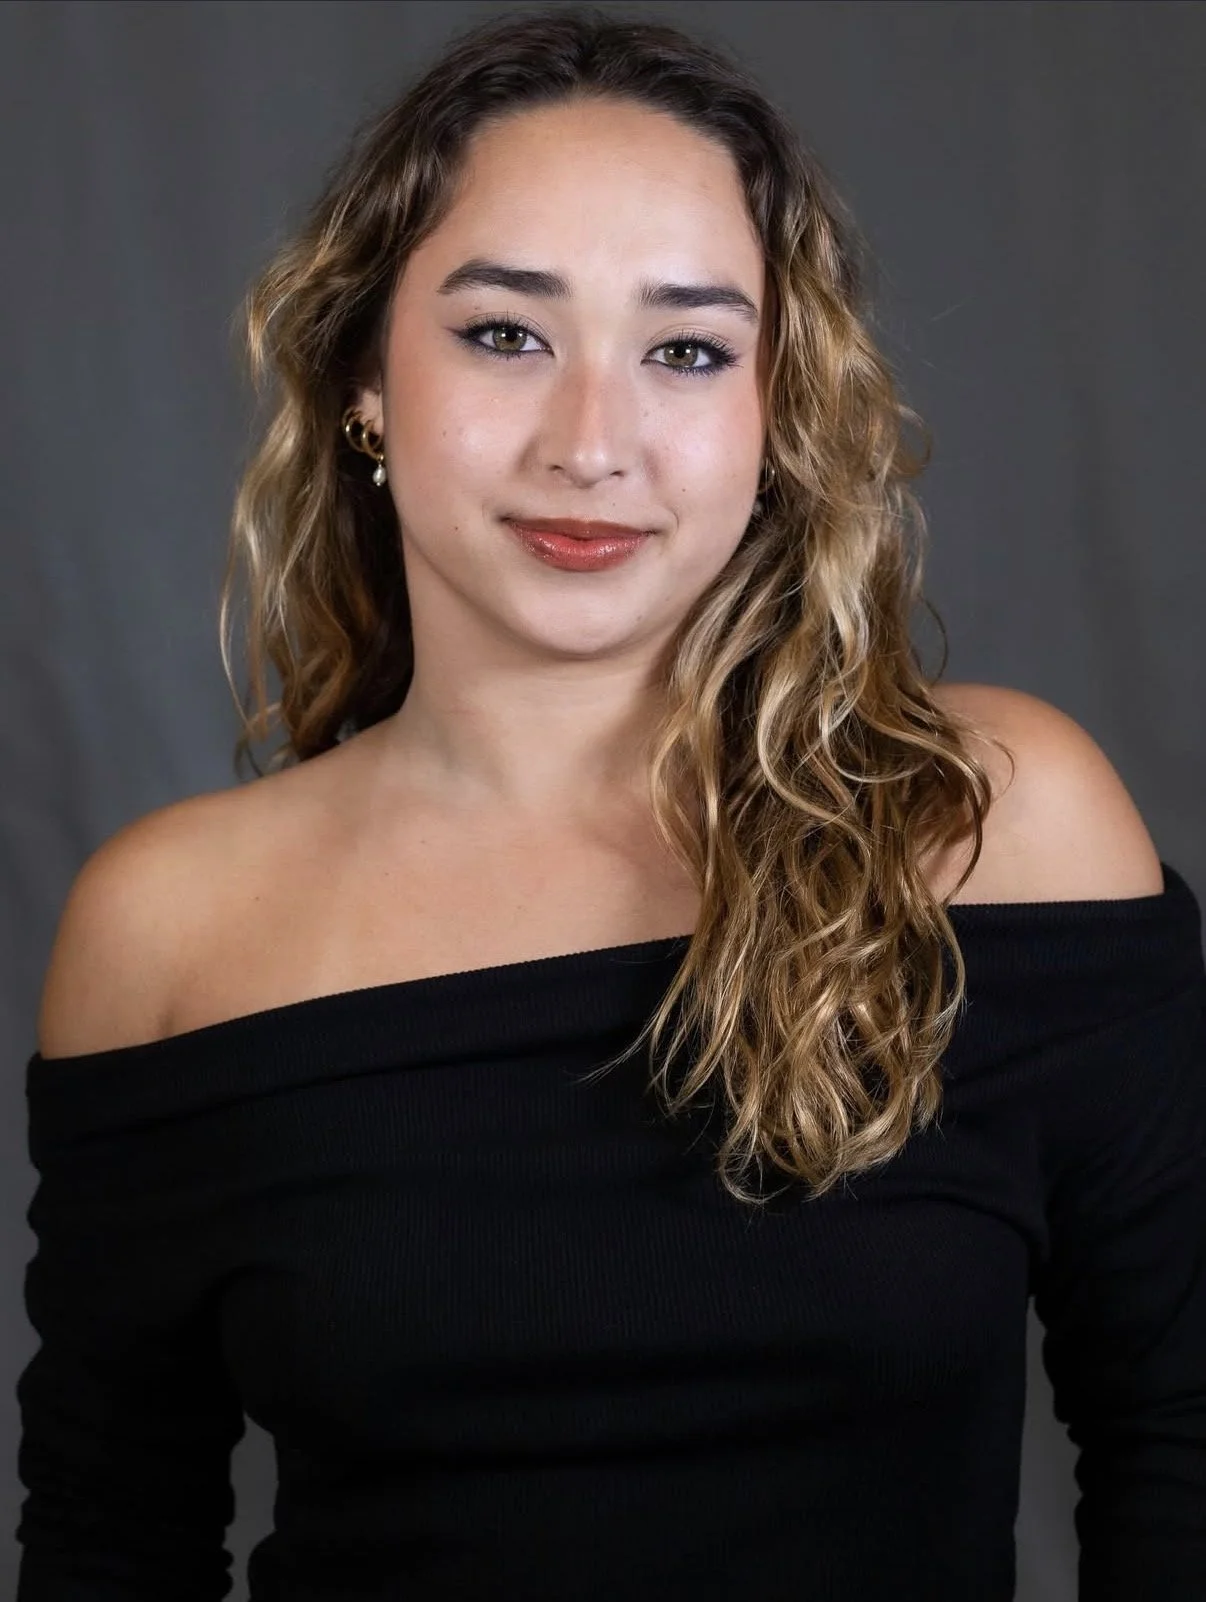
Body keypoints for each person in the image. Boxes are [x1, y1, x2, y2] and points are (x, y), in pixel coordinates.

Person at [14, 8, 1205, 1601]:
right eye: (505, 334)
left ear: (774, 412)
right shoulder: (172, 928)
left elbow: (1179, 1442)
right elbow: (108, 1542)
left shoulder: (991, 826)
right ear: (364, 378)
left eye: (686, 350)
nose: (591, 443)